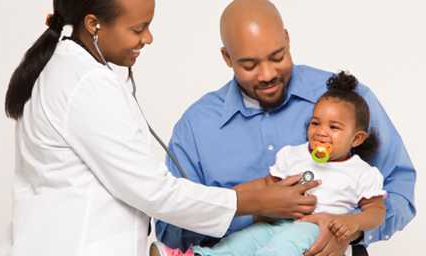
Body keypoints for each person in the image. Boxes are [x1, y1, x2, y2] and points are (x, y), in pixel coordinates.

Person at [0, 0, 322, 255]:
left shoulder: (68, 72)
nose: (148, 38)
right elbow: (152, 192)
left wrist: (248, 194)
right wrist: (254, 202)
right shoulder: (86, 85)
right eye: (138, 28)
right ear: (93, 24)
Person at [155, 0, 416, 255]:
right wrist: (247, 207)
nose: (267, 74)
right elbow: (169, 228)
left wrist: (348, 231)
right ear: (226, 57)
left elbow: (399, 190)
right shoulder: (197, 126)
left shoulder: (346, 101)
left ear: (288, 40)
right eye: (250, 65)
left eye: (277, 56)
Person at [151, 72, 386, 256]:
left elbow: (376, 212)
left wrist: (351, 223)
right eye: (315, 124)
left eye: (334, 128)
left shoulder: (361, 172)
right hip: (277, 222)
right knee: (244, 241)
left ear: (356, 139)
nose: (321, 133)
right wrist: (228, 199)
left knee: (282, 248)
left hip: (316, 229)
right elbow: (267, 184)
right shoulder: (293, 155)